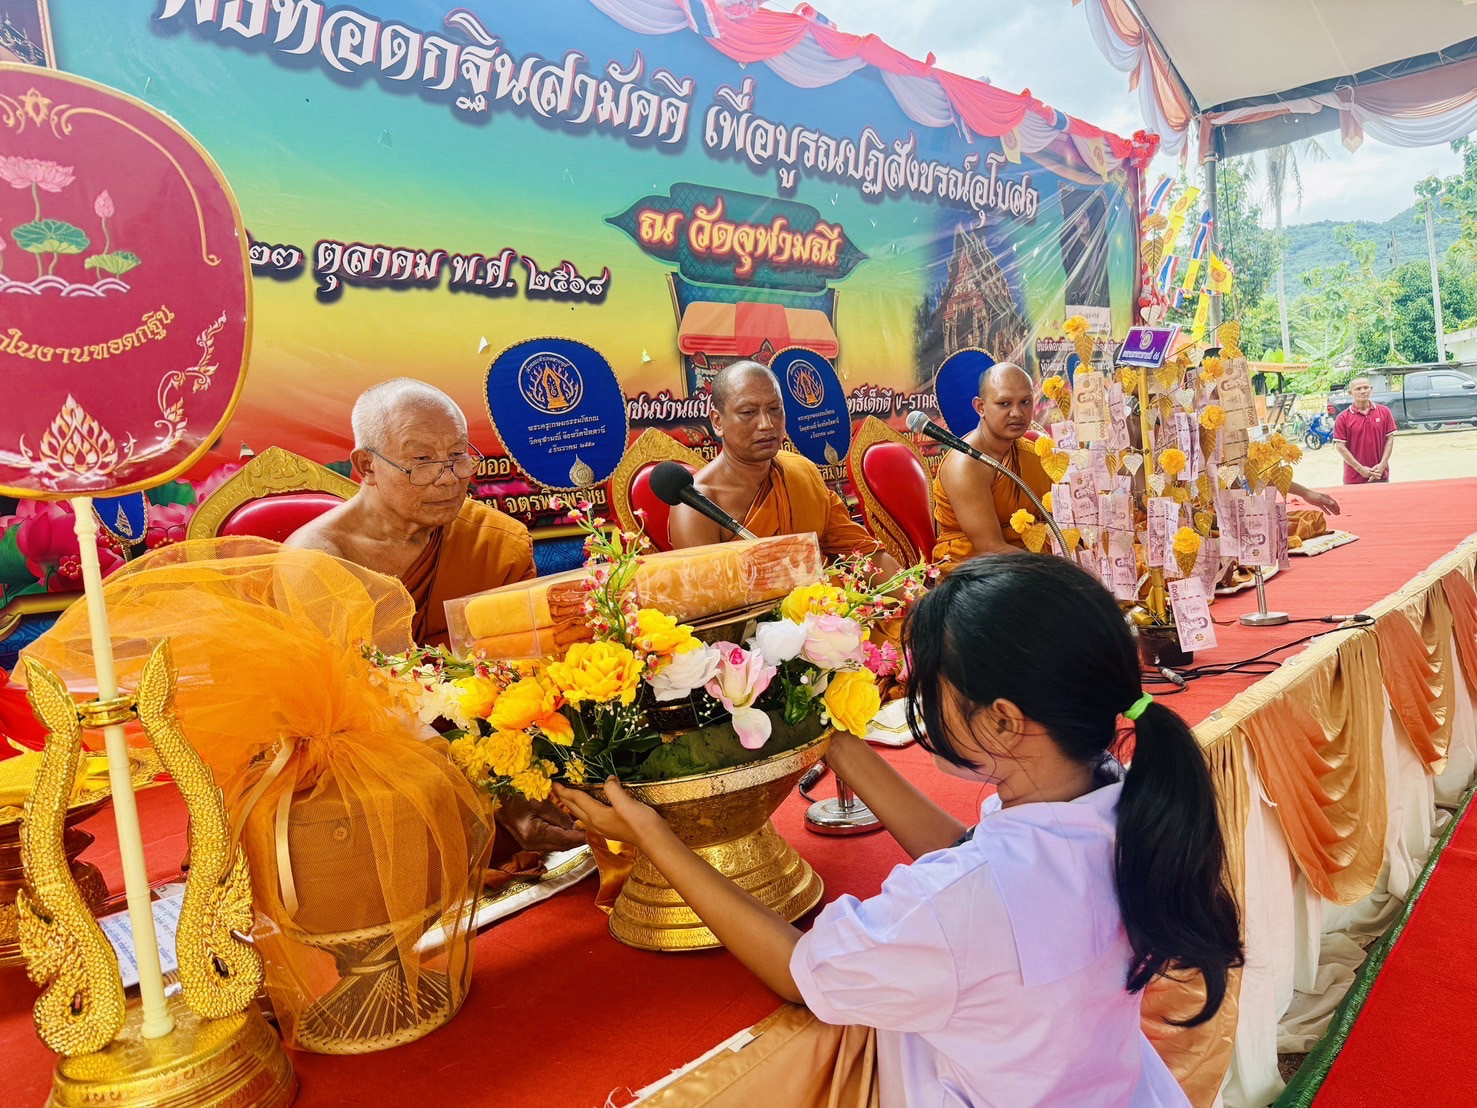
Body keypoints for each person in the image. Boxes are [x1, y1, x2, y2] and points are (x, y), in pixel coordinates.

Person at [557, 554, 1242, 1106]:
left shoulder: (956, 904)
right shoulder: (1122, 796)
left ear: (1002, 719)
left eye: (930, 686)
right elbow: (980, 861)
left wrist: (652, 835)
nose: (913, 699)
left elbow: (801, 973)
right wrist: (836, 742)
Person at [286, 379, 581, 855]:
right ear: (367, 466)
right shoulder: (318, 561)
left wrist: (528, 768)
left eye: (458, 457)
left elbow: (525, 669)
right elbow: (367, 713)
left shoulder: (494, 541)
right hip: (375, 759)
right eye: (421, 461)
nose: (447, 479)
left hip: (489, 739)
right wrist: (492, 796)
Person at [668, 361, 902, 576]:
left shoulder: (800, 473)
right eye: (748, 412)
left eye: (774, 409)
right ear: (718, 422)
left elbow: (864, 555)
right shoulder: (696, 504)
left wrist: (920, 608)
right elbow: (709, 602)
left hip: (825, 612)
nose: (766, 424)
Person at [931, 362, 1051, 567]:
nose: (1017, 413)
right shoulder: (966, 464)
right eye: (1004, 403)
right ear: (980, 407)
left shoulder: (1031, 452)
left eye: (1025, 402)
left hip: (1028, 561)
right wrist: (1059, 570)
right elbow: (990, 548)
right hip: (976, 573)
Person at [1332, 377, 1396, 485]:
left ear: (1371, 389)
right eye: (1358, 389)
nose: (1363, 391)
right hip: (1354, 478)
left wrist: (1382, 465)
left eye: (1366, 387)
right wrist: (1360, 469)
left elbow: (1389, 438)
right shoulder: (1342, 418)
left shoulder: (1384, 412)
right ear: (1350, 393)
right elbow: (1340, 446)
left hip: (1380, 475)